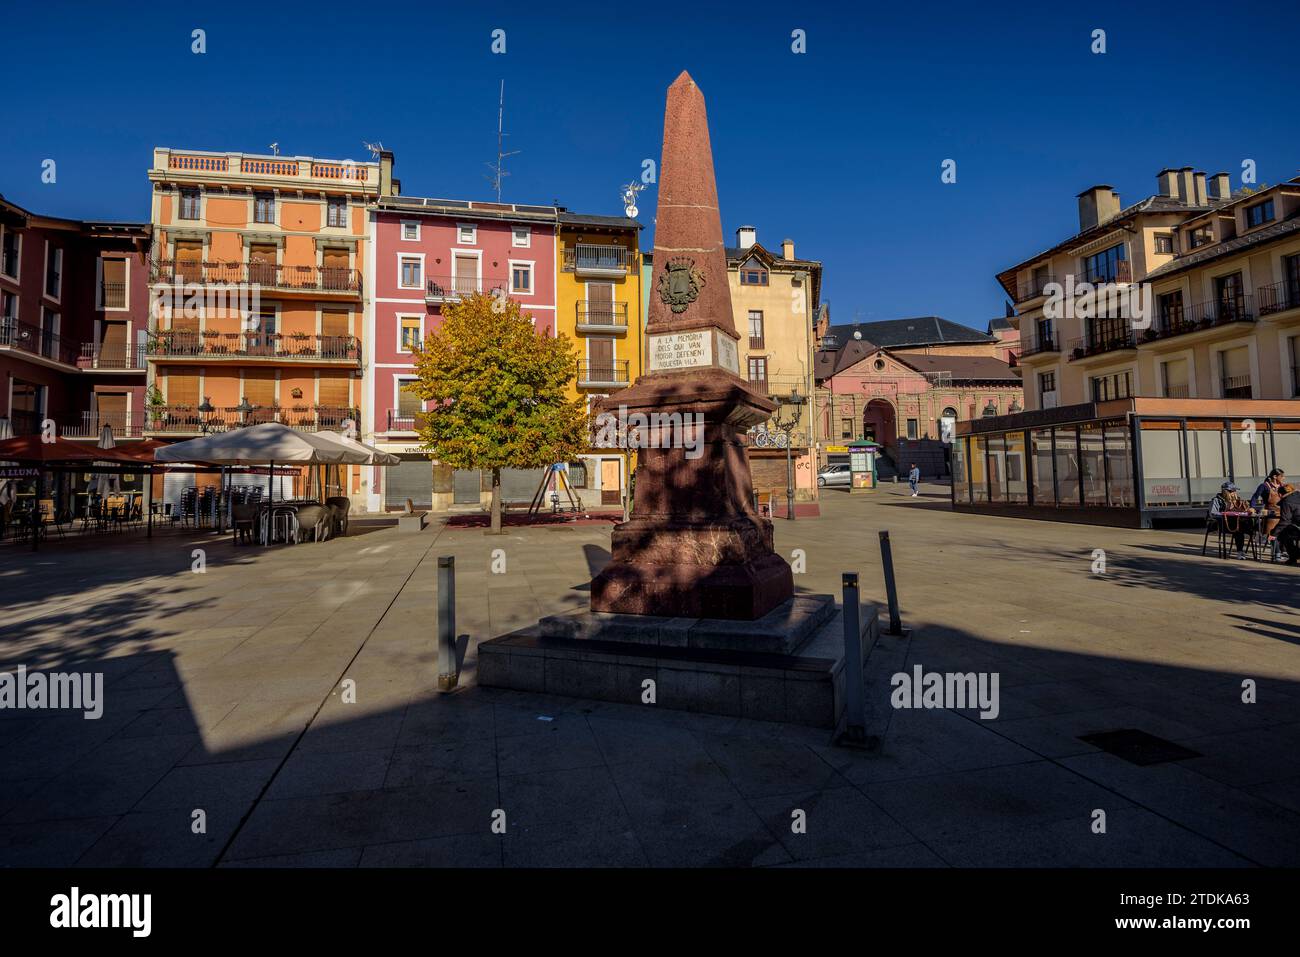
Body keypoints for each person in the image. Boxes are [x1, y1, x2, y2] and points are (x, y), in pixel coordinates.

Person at [1250, 468, 1286, 559]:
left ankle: (1286, 552)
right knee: (1273, 533)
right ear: (1274, 476)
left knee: (1288, 531)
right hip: (1271, 515)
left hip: (1284, 513)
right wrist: (1252, 507)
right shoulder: (1264, 486)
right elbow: (1255, 497)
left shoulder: (1283, 486)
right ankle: (1276, 554)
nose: (1284, 478)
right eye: (1282, 476)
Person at [1209, 481, 1250, 558]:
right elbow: (1213, 513)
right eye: (1231, 491)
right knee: (1239, 530)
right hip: (1222, 523)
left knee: (1244, 526)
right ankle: (1240, 552)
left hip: (1237, 523)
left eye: (1235, 491)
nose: (1234, 493)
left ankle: (1259, 536)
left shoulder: (1238, 500)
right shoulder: (1216, 500)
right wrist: (1225, 513)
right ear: (1225, 491)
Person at [1277, 484, 1300, 565]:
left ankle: (1294, 556)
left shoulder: (1286, 501)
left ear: (1280, 494)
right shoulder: (1298, 495)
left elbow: (1285, 521)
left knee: (1282, 533)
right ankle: (1294, 556)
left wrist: (1274, 533)